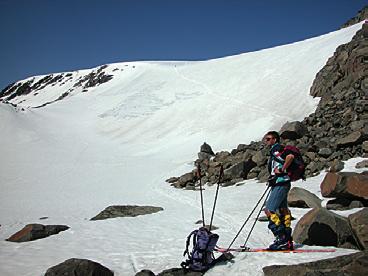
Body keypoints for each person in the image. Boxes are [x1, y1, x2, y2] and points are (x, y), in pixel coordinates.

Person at [263, 131, 294, 250]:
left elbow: (290, 157)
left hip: (280, 183)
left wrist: (282, 170)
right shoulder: (277, 149)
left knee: (269, 210)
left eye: (268, 139)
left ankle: (281, 238)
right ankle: (287, 239)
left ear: (275, 139)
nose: (266, 141)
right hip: (283, 182)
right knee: (283, 209)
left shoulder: (276, 149)